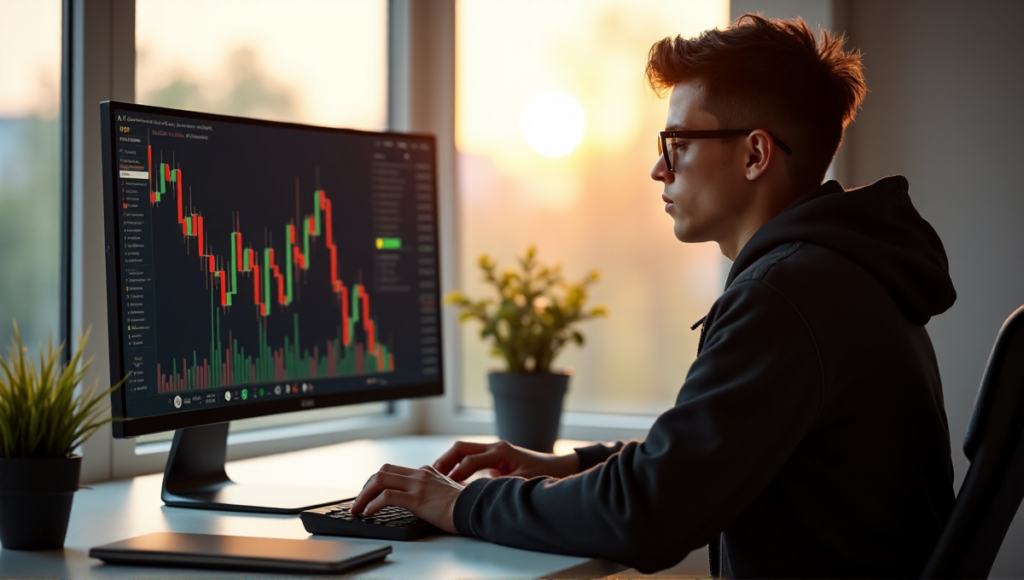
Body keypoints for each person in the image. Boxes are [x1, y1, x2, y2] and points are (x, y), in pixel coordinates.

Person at [351, 14, 957, 578]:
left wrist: (463, 503)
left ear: (754, 154)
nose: (658, 170)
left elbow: (649, 513)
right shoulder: (835, 275)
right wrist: (563, 466)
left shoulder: (789, 294)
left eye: (677, 144)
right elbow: (697, 458)